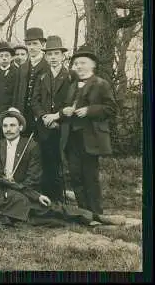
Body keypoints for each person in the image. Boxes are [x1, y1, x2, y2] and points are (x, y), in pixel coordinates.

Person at [0, 139, 118, 227]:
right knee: (50, 222)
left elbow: (12, 184)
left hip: (14, 200)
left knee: (53, 208)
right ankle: (90, 224)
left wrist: (37, 196)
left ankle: (98, 217)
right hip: (1, 214)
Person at [60, 45, 117, 215]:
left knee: (90, 177)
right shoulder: (72, 85)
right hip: (72, 138)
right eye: (76, 63)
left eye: (82, 63)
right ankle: (84, 213)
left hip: (91, 138)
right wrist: (66, 111)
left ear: (93, 65)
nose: (78, 66)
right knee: (75, 175)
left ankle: (96, 213)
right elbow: (66, 106)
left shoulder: (101, 84)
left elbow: (111, 109)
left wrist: (89, 110)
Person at [31, 35, 73, 203]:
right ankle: (47, 197)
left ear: (63, 56)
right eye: (50, 55)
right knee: (45, 160)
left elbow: (72, 102)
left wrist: (57, 118)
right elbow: (34, 100)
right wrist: (43, 116)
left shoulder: (70, 77)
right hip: (44, 126)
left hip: (63, 126)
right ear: (46, 57)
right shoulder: (42, 76)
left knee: (59, 162)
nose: (53, 58)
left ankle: (59, 198)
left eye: (56, 54)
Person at [0, 108, 42, 192]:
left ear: (20, 127)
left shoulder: (31, 146)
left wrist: (16, 187)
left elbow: (33, 178)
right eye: (5, 126)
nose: (8, 129)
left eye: (12, 125)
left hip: (23, 192)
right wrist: (1, 180)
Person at [13, 27, 50, 136]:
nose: (31, 47)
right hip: (23, 114)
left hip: (41, 114)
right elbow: (16, 92)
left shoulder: (48, 66)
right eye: (29, 44)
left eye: (35, 43)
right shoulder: (22, 67)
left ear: (42, 44)